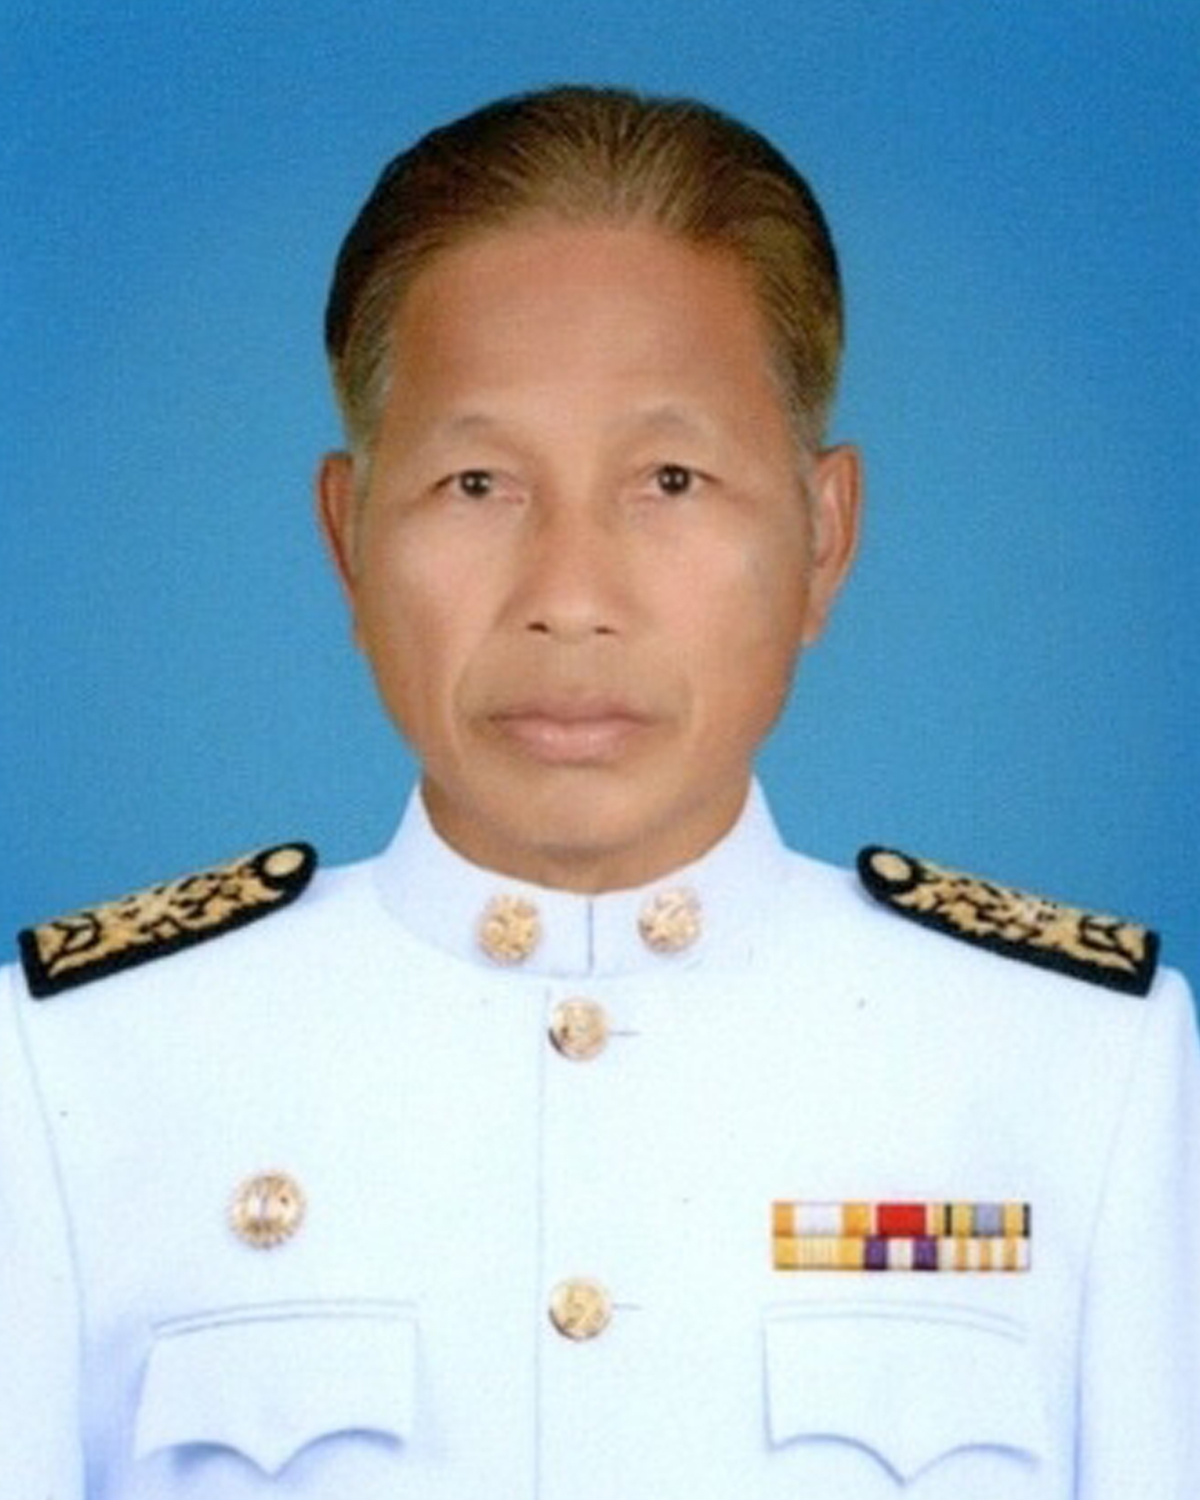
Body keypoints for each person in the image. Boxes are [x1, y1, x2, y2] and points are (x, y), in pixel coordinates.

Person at [2, 85, 1196, 1500]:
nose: (569, 597)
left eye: (671, 479)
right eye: (476, 484)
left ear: (824, 538)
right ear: (348, 537)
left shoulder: (1078, 1066)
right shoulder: (75, 1070)